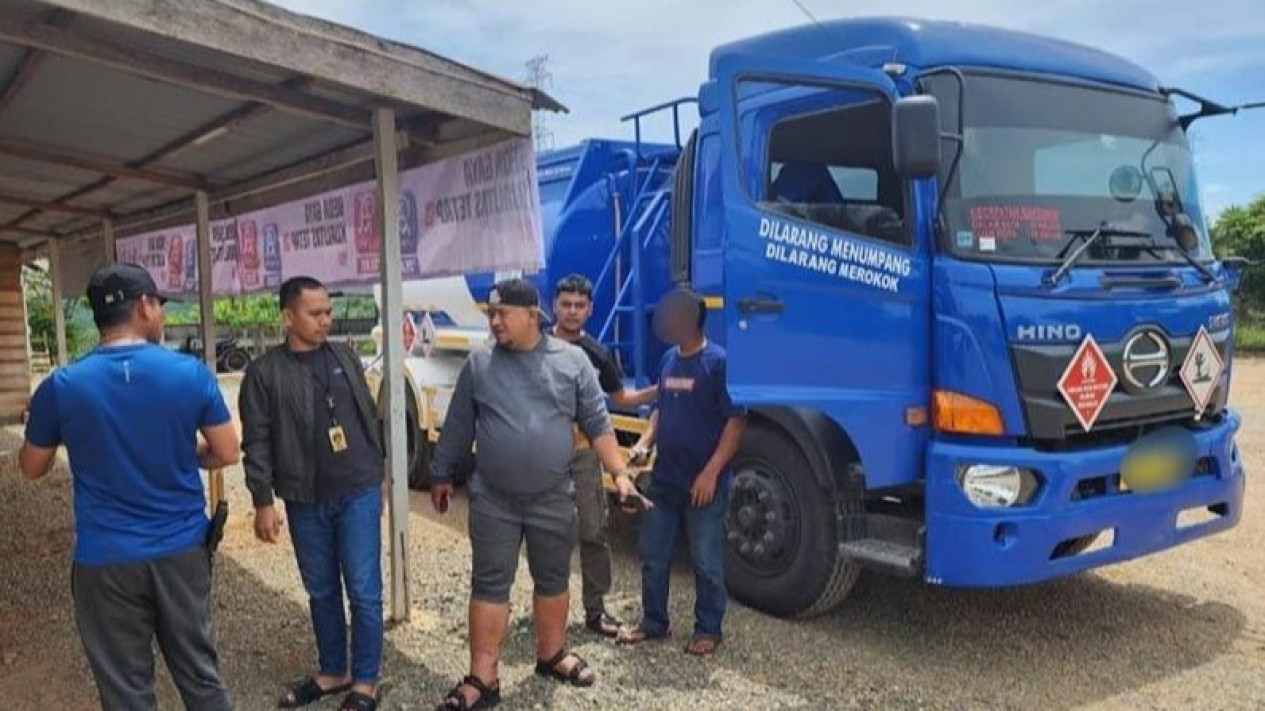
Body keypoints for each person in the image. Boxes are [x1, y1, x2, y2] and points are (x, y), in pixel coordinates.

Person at [19, 262, 239, 711]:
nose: (161, 316)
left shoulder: (61, 386)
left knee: (125, 691)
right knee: (200, 675)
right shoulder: (189, 374)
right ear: (143, 306)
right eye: (159, 306)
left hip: (105, 558)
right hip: (180, 550)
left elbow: (32, 467)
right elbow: (228, 450)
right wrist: (183, 454)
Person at [431, 278, 644, 711]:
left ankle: (551, 655)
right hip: (494, 499)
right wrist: (440, 473)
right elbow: (457, 427)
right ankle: (483, 677)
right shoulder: (479, 364)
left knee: (553, 579)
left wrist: (620, 474)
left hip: (552, 496)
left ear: (532, 317)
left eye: (501, 314)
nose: (493, 322)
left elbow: (599, 424)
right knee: (489, 584)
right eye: (490, 314)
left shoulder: (573, 363)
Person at [239, 277, 385, 711]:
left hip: (357, 490)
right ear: (288, 317)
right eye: (315, 313)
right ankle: (334, 669)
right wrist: (262, 500)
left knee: (364, 590)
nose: (326, 320)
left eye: (328, 312)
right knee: (321, 589)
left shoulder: (344, 355)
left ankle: (365, 680)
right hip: (305, 498)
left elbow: (368, 416)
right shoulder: (264, 373)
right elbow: (257, 440)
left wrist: (379, 474)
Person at [618, 287, 746, 657]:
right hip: (666, 480)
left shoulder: (718, 363)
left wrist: (710, 473)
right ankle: (653, 623)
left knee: (706, 560)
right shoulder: (668, 360)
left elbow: (736, 424)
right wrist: (645, 444)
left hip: (703, 484)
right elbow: (660, 410)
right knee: (653, 555)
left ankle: (709, 628)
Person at [551, 274, 658, 637]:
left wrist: (663, 389)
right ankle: (547, 609)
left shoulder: (598, 353)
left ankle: (595, 610)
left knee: (594, 531)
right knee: (548, 534)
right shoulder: (535, 347)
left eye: (579, 305)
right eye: (565, 304)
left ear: (590, 309)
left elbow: (620, 399)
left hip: (584, 454)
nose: (572, 312)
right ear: (554, 306)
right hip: (543, 456)